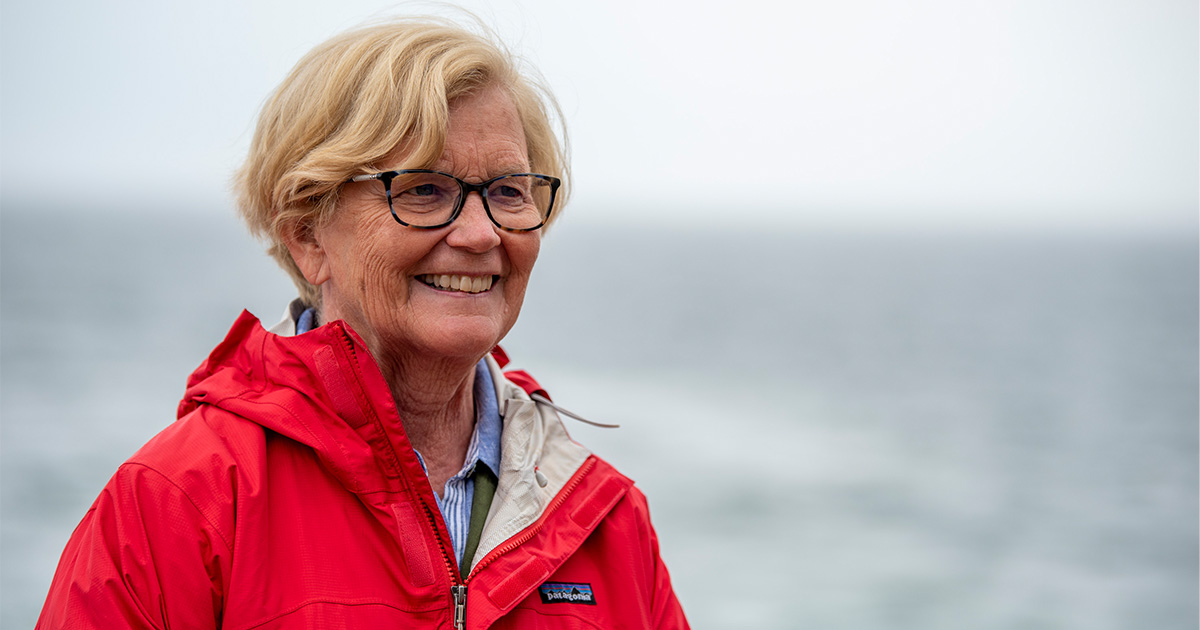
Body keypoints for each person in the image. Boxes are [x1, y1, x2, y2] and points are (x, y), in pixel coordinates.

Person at [37, 17, 689, 629]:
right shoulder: (180, 502)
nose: (480, 233)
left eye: (508, 192)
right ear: (306, 235)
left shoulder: (604, 520)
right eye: (424, 190)